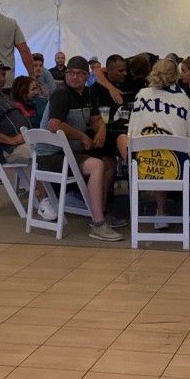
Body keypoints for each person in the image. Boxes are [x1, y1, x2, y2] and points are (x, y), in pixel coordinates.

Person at [41, 56, 123, 242]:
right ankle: (98, 224)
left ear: (87, 76)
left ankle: (99, 210)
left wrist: (101, 130)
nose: (73, 76)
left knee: (109, 161)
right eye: (70, 72)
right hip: (51, 156)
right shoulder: (62, 94)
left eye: (79, 73)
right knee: (96, 165)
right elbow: (54, 125)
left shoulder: (87, 94)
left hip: (69, 151)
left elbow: (96, 120)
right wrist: (82, 136)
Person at [117, 58, 190, 233]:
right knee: (167, 151)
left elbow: (133, 131)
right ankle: (164, 211)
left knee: (124, 139)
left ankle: (135, 182)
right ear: (176, 76)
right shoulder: (184, 100)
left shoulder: (142, 95)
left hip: (143, 167)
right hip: (176, 169)